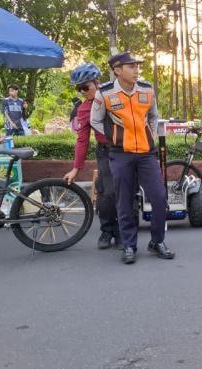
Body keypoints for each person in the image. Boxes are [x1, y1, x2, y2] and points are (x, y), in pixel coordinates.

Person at [91, 52, 174, 264]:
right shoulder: (105, 93)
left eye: (137, 65)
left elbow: (154, 116)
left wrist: (150, 134)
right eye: (131, 66)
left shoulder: (146, 89)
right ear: (117, 70)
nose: (136, 69)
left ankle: (157, 241)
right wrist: (115, 137)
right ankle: (129, 245)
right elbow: (95, 120)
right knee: (124, 200)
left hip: (147, 153)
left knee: (159, 197)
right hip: (121, 154)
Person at [62, 63, 119, 251]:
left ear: (97, 82)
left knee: (127, 191)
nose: (82, 91)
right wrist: (76, 168)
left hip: (126, 150)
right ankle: (107, 230)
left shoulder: (115, 98)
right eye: (79, 89)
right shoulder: (84, 109)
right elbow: (82, 140)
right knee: (107, 192)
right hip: (106, 152)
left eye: (85, 87)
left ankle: (123, 232)